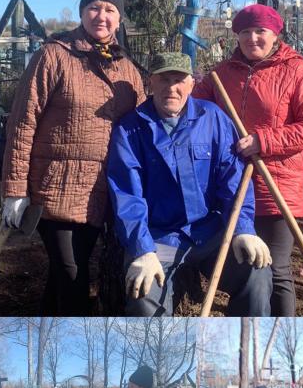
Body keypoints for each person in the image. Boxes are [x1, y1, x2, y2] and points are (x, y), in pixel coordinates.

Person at [0, 0, 145, 315]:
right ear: (82, 12)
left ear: (119, 19)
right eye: (94, 7)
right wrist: (14, 189)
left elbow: (142, 122)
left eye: (110, 10)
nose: (101, 16)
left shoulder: (126, 68)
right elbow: (22, 124)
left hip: (100, 192)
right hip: (54, 188)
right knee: (73, 274)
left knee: (63, 275)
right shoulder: (53, 55)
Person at [107, 52, 273, 316]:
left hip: (211, 232)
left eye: (178, 80)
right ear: (151, 82)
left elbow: (233, 180)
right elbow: (127, 195)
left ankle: (244, 346)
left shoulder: (213, 118)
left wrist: (243, 229)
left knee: (256, 272)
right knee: (144, 298)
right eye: (163, 80)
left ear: (191, 84)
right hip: (159, 237)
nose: (171, 88)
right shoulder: (130, 130)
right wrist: (142, 250)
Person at [193, 4, 303, 316]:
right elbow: (191, 110)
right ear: (236, 37)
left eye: (260, 31)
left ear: (274, 34)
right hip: (229, 186)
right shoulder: (221, 74)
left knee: (276, 269)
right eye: (245, 32)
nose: (252, 38)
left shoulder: (296, 71)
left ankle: (282, 340)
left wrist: (263, 141)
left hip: (274, 186)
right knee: (245, 268)